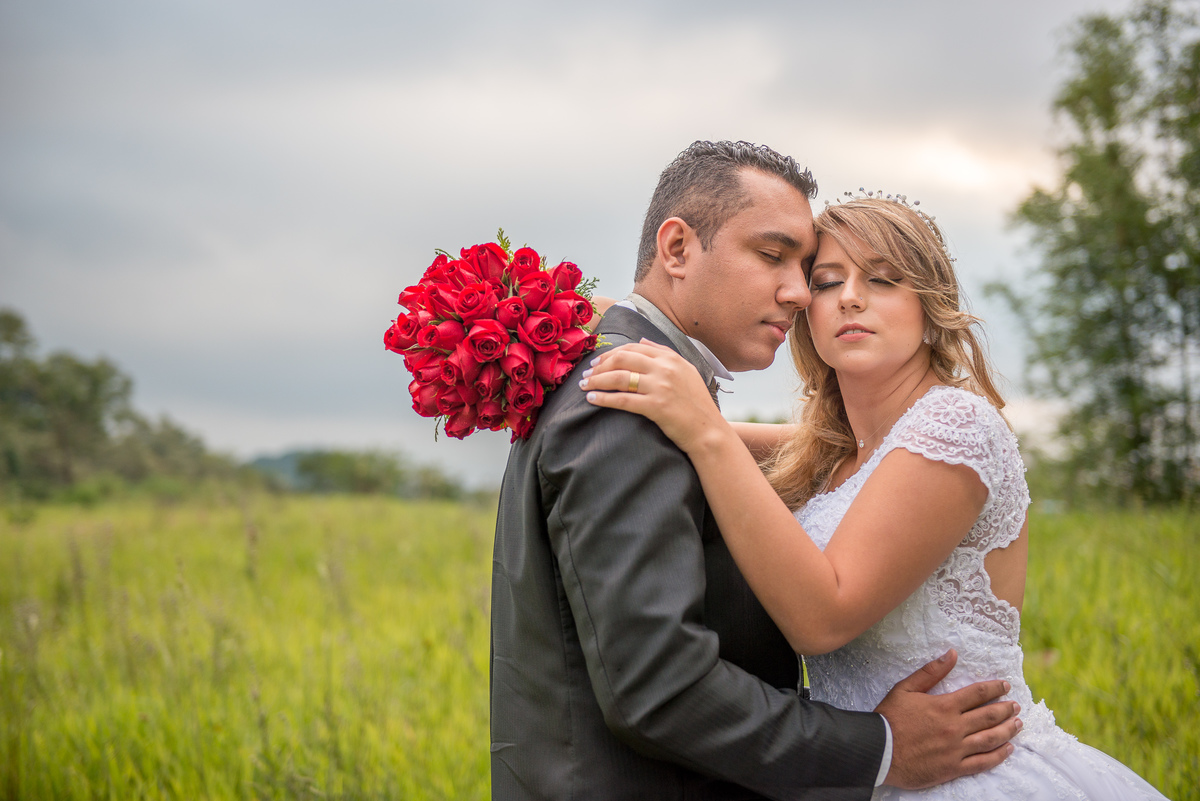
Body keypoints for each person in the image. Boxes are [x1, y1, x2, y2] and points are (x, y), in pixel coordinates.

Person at [581, 193, 1170, 800]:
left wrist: (702, 427)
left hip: (967, 775)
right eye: (828, 282)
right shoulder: (841, 451)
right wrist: (621, 325)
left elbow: (823, 617)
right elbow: (750, 441)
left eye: (883, 280)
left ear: (929, 302)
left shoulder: (954, 427)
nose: (850, 298)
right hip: (871, 771)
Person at [490, 141, 1022, 801]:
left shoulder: (659, 394)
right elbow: (660, 686)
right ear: (677, 249)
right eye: (778, 258)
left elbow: (853, 452)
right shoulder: (626, 401)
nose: (802, 293)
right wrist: (878, 748)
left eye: (880, 278)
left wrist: (706, 424)